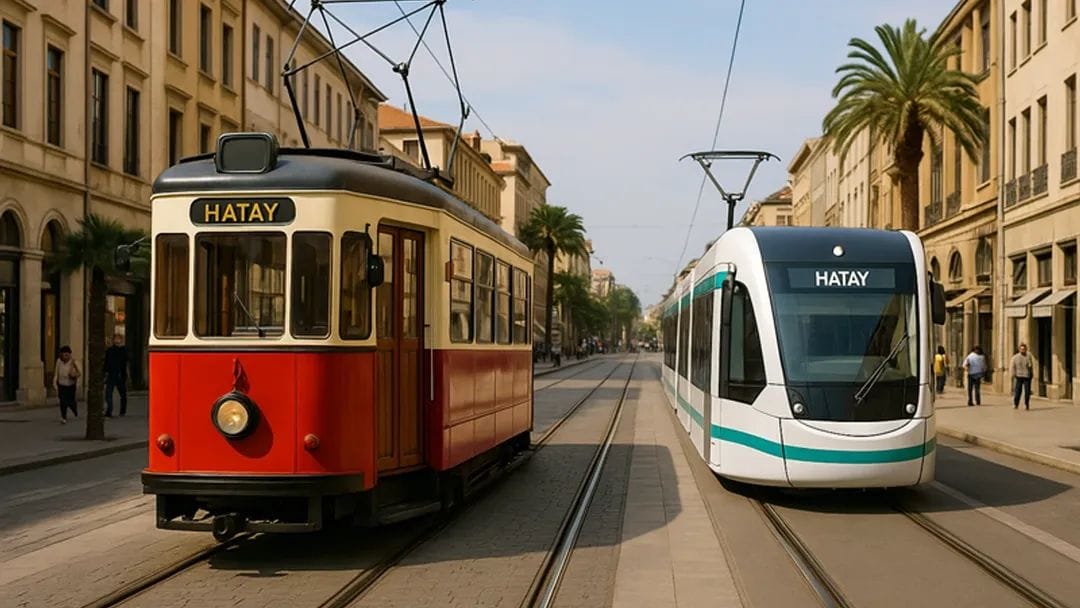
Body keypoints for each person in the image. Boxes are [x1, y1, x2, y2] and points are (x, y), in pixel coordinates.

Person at [105, 334, 129, 417]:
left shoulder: (122, 350)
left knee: (121, 394)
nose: (117, 341)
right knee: (110, 394)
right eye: (116, 339)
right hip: (114, 374)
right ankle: (111, 410)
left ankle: (120, 411)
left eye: (118, 339)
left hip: (118, 374)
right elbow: (106, 363)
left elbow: (125, 363)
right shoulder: (111, 350)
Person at [54, 345, 80, 423]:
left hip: (71, 384)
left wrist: (77, 384)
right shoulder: (59, 361)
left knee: (70, 400)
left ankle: (74, 408)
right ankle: (63, 417)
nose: (65, 356)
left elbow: (79, 372)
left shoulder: (74, 361)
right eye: (64, 354)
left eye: (67, 354)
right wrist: (55, 382)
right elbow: (56, 372)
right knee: (62, 401)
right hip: (61, 384)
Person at [1010, 343, 1034, 410]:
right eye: (1021, 349)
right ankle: (1016, 403)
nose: (1023, 350)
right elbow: (1013, 366)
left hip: (1027, 376)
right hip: (1019, 376)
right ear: (1019, 349)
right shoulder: (1015, 357)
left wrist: (1031, 373)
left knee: (1027, 392)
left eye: (1024, 349)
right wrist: (1013, 374)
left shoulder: (1028, 356)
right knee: (1018, 391)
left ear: (1026, 349)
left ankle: (1026, 404)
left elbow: (1030, 366)